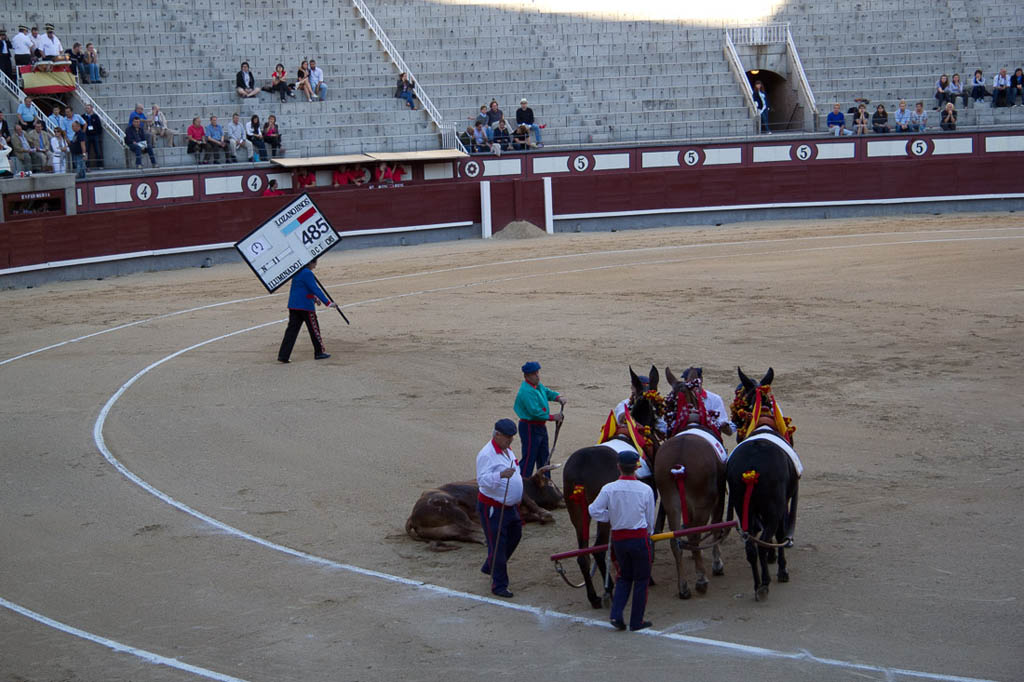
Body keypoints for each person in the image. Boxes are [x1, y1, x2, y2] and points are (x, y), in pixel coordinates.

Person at [587, 449, 655, 632]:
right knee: (641, 580)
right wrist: (649, 533)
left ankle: (616, 615)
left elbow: (593, 510)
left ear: (618, 467)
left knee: (624, 577)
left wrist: (611, 517)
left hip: (619, 540)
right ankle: (636, 621)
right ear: (636, 467)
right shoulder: (645, 489)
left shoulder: (609, 488)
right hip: (639, 539)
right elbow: (650, 520)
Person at [475, 418, 523, 599]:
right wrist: (500, 475)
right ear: (497, 435)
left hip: (509, 506)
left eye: (512, 438)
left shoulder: (506, 450)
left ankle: (491, 566)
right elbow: (482, 481)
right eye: (507, 437)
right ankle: (499, 584)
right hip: (493, 507)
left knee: (515, 535)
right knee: (498, 545)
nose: (510, 441)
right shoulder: (487, 454)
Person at [277, 258, 337, 362]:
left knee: (291, 331)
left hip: (294, 305)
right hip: (305, 307)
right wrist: (327, 303)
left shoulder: (297, 272)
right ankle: (319, 352)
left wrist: (314, 298)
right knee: (314, 330)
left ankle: (283, 355)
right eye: (315, 263)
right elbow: (315, 289)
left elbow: (301, 289)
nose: (315, 266)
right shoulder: (307, 273)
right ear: (310, 262)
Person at [513, 361, 566, 478]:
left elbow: (547, 392)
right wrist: (553, 417)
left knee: (544, 457)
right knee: (529, 458)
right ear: (526, 376)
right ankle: (523, 482)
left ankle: (545, 482)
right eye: (533, 374)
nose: (537, 375)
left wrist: (558, 397)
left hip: (539, 426)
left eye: (537, 372)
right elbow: (535, 412)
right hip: (529, 427)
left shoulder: (536, 385)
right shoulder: (526, 391)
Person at [680, 367, 734, 436]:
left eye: (693, 380)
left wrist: (723, 425)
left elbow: (726, 429)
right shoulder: (679, 399)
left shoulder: (715, 399)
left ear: (701, 380)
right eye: (686, 380)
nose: (689, 383)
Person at [82, 103, 103, 168]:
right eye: (86, 108)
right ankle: (87, 166)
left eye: (88, 108)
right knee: (86, 150)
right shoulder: (83, 116)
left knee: (97, 150)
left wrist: (98, 134)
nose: (87, 109)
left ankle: (100, 165)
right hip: (86, 136)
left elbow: (99, 126)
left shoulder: (95, 116)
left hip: (95, 135)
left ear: (91, 109)